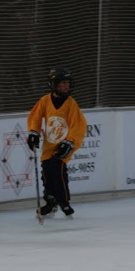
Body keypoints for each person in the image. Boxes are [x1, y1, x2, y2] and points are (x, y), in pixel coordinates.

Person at [27, 68, 87, 219]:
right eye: (62, 83)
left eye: (67, 83)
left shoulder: (71, 103)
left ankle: (64, 202)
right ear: (54, 85)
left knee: (58, 171)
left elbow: (78, 125)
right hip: (49, 145)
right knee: (46, 173)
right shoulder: (45, 100)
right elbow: (35, 117)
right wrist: (34, 132)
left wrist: (70, 142)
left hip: (63, 145)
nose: (66, 86)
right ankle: (51, 202)